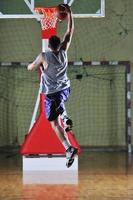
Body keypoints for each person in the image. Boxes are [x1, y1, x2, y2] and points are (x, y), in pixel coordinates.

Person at [27, 4, 77, 167]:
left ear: (49, 45)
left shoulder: (43, 56)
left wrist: (31, 65)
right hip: (65, 89)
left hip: (51, 93)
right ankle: (68, 145)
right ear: (60, 44)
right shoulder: (63, 51)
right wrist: (69, 14)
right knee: (59, 105)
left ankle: (65, 125)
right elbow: (69, 33)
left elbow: (31, 67)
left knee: (54, 123)